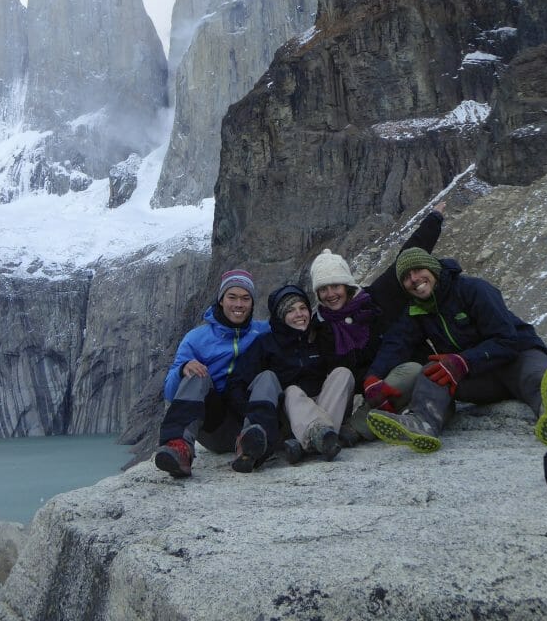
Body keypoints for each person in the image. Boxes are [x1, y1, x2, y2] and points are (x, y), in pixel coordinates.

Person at [364, 247, 547, 453]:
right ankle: (422, 423)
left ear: (432, 269)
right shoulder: (417, 310)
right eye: (407, 277)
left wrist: (464, 361)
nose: (414, 279)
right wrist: (373, 377)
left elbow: (507, 340)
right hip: (477, 376)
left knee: (535, 376)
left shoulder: (473, 289)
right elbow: (396, 343)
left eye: (418, 270)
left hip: (516, 357)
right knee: (432, 370)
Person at [307, 203, 446, 441]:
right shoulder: (319, 327)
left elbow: (405, 258)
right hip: (359, 385)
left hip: (389, 375)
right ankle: (338, 430)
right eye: (323, 289)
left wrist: (433, 220)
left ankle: (356, 427)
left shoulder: (375, 299)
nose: (331, 294)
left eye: (336, 286)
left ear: (347, 286)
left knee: (412, 370)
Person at [154, 269, 270, 478]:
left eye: (245, 298)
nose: (238, 305)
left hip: (249, 422)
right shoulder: (196, 339)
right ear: (221, 300)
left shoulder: (263, 331)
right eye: (232, 297)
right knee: (198, 373)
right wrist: (182, 370)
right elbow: (170, 392)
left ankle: (250, 447)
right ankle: (180, 448)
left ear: (252, 303)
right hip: (212, 425)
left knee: (267, 377)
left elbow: (294, 332)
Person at [225, 285, 354, 471]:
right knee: (292, 391)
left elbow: (342, 363)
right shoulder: (266, 344)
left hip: (321, 404)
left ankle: (309, 442)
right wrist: (248, 412)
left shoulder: (318, 337)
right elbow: (237, 382)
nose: (299, 314)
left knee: (343, 373)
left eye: (303, 308)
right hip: (288, 413)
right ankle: (319, 436)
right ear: (280, 316)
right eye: (291, 311)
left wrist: (326, 332)